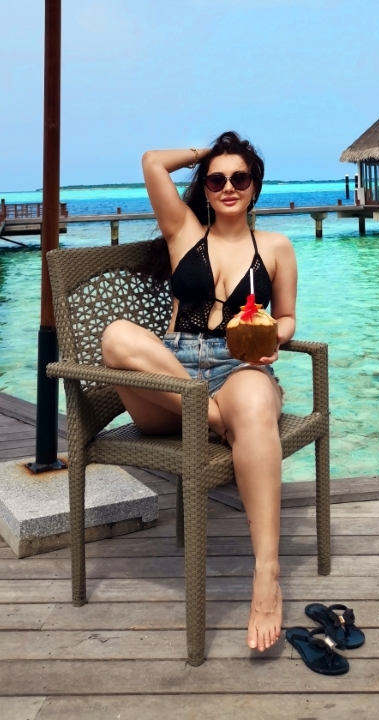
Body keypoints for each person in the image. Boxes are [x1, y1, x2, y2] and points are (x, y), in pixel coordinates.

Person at [101, 131, 297, 653]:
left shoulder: (276, 247)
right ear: (205, 188)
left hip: (239, 366)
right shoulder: (184, 231)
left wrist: (272, 337)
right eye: (217, 179)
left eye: (240, 178)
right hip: (172, 380)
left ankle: (267, 574)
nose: (228, 187)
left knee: (253, 401)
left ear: (255, 187)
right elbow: (152, 162)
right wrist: (208, 151)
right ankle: (212, 416)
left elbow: (288, 317)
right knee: (116, 336)